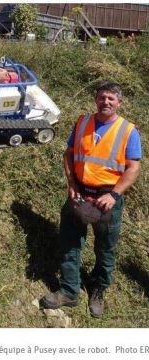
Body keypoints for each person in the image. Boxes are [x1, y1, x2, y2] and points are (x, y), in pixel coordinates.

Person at [40, 81, 141, 318]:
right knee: (69, 242)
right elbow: (68, 154)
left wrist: (114, 194)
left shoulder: (127, 130)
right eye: (102, 97)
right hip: (79, 193)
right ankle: (69, 290)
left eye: (111, 99)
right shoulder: (82, 122)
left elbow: (133, 168)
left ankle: (98, 289)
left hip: (108, 198)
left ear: (119, 103)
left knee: (105, 248)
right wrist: (72, 183)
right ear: (96, 100)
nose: (105, 102)